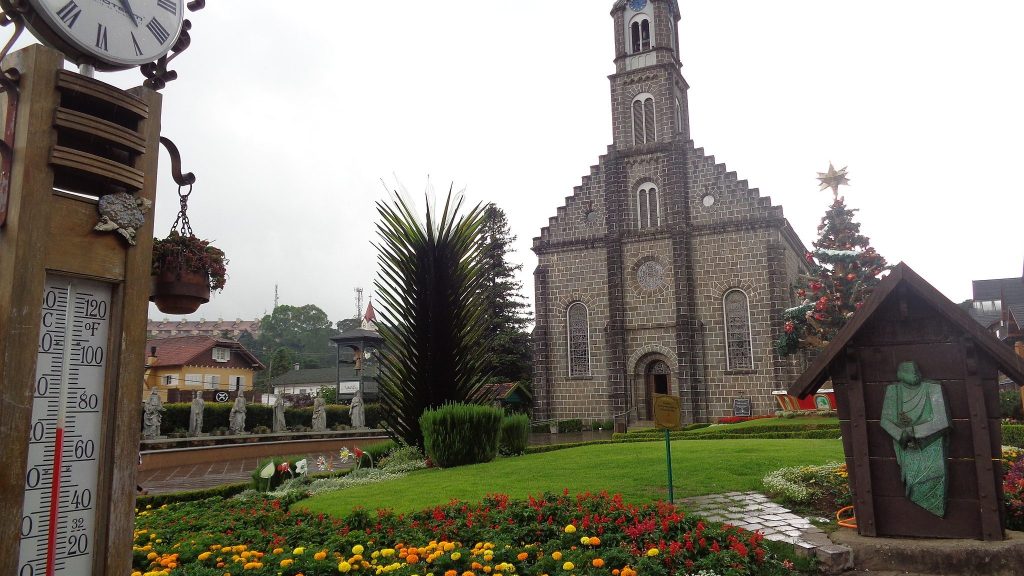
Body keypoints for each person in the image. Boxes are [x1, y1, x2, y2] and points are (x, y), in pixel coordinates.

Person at [880, 360, 951, 516]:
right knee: (912, 482)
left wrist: (913, 431)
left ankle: (934, 511)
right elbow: (885, 420)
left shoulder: (933, 388)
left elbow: (942, 421)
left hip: (931, 446)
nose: (914, 373)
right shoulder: (894, 391)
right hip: (906, 448)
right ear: (900, 374)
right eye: (908, 371)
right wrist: (902, 435)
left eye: (916, 370)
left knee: (934, 477)